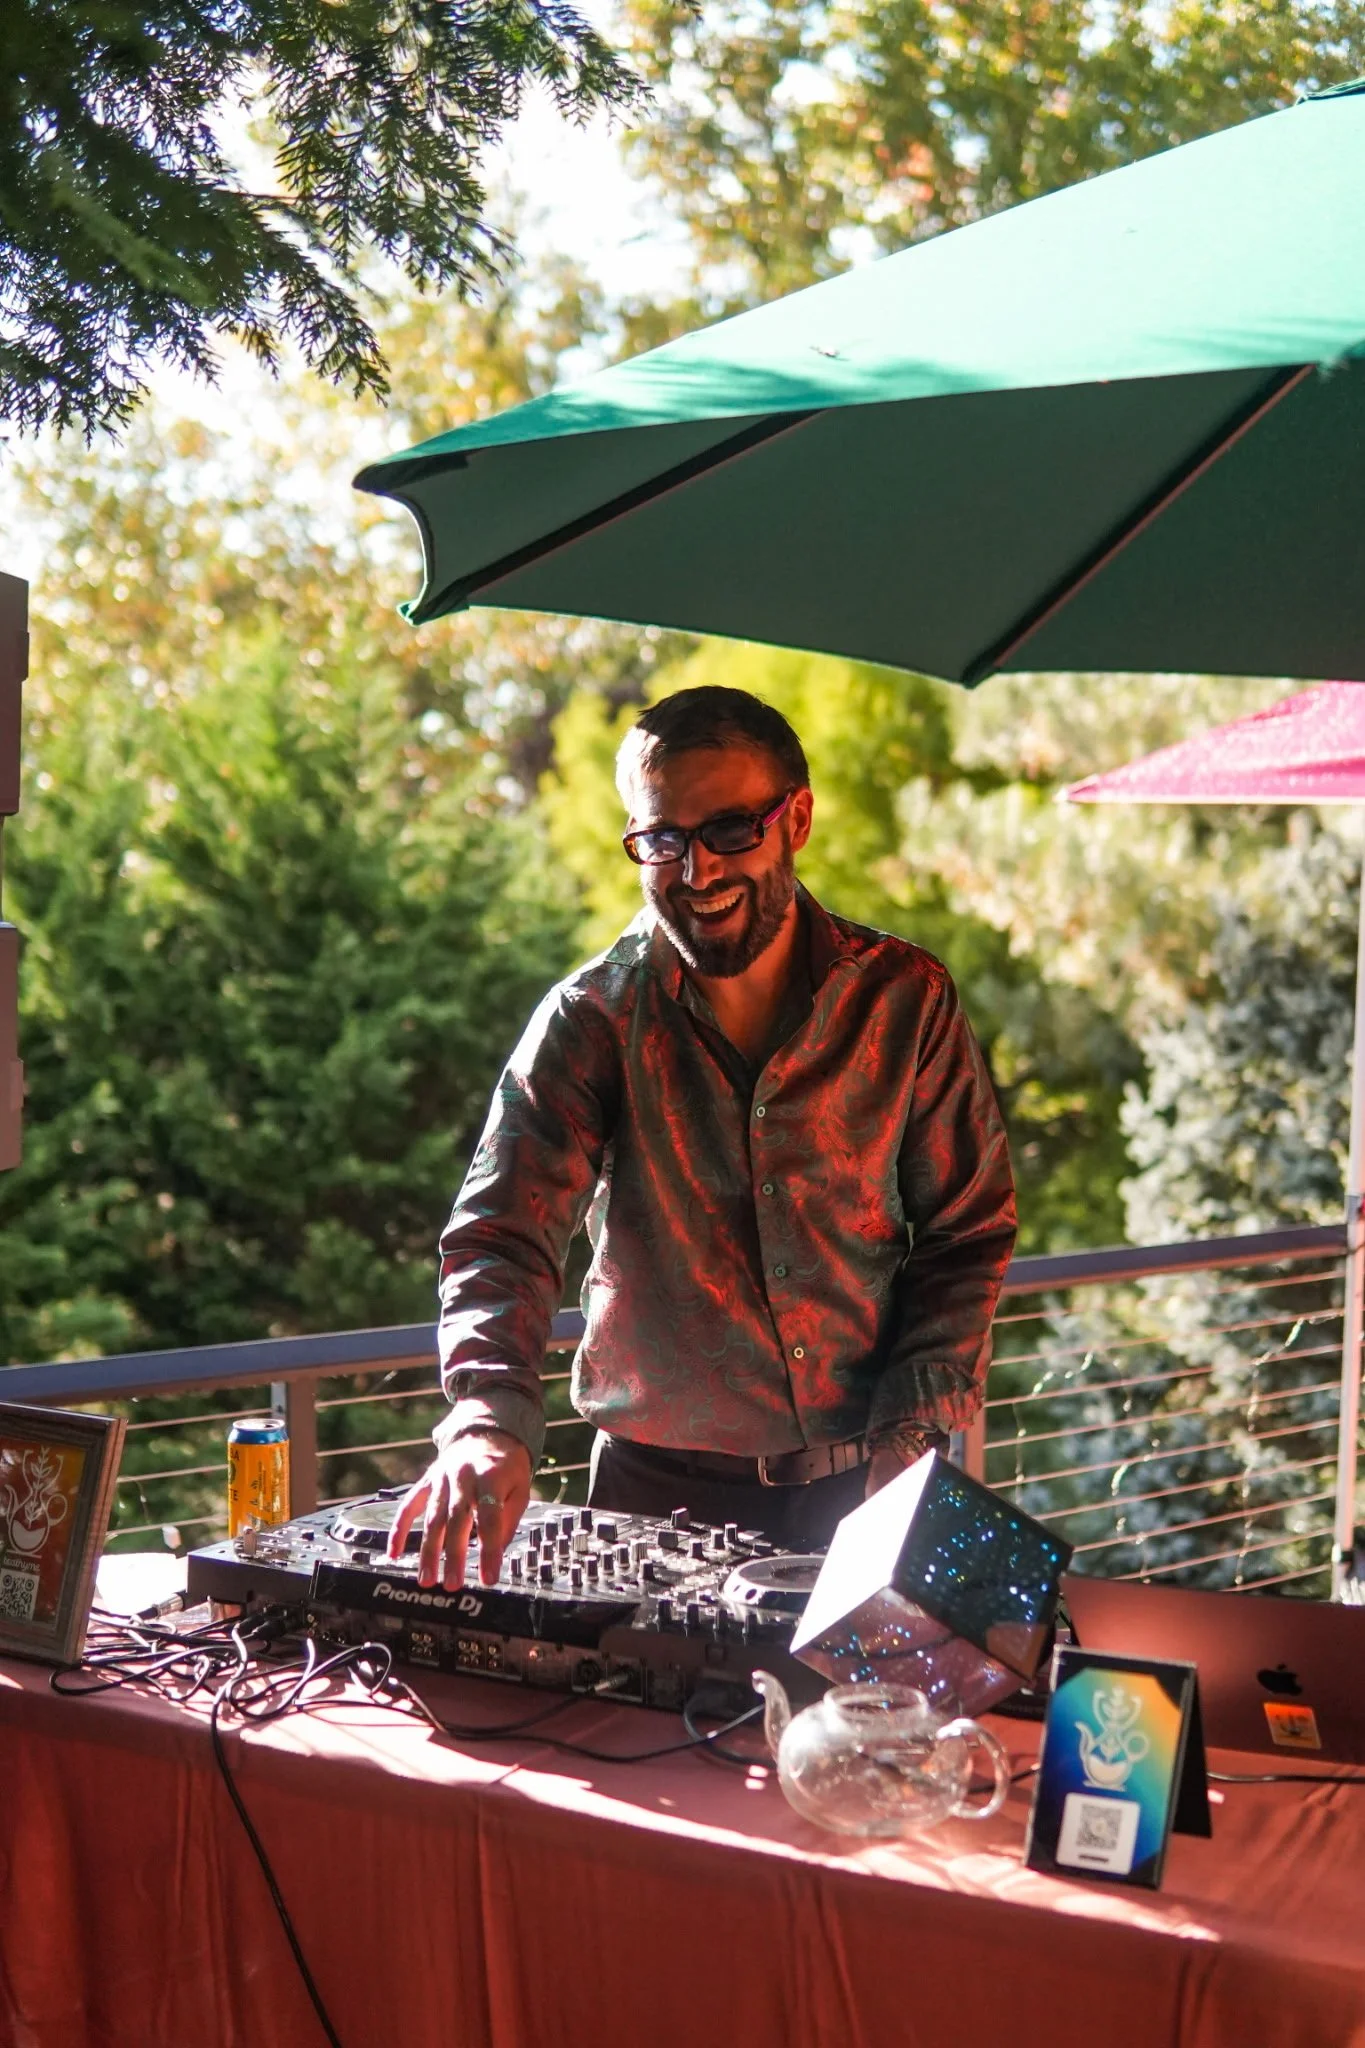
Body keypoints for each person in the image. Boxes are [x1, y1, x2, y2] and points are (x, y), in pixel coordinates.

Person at [388, 686, 1015, 1588]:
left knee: (863, 1735)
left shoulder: (906, 998)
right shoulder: (590, 1018)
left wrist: (912, 1434)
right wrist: (486, 1420)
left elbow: (967, 1232)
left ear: (795, 818)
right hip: (648, 1500)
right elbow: (502, 1236)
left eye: (729, 831)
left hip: (871, 1486)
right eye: (662, 841)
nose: (697, 872)